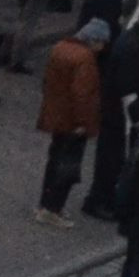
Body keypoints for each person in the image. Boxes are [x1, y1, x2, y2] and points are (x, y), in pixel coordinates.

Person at [33, 21, 109, 223]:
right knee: (67, 166)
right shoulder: (85, 59)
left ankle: (45, 204)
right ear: (94, 40)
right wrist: (84, 122)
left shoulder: (60, 48)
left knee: (54, 160)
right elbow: (82, 95)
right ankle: (53, 208)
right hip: (73, 122)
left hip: (57, 115)